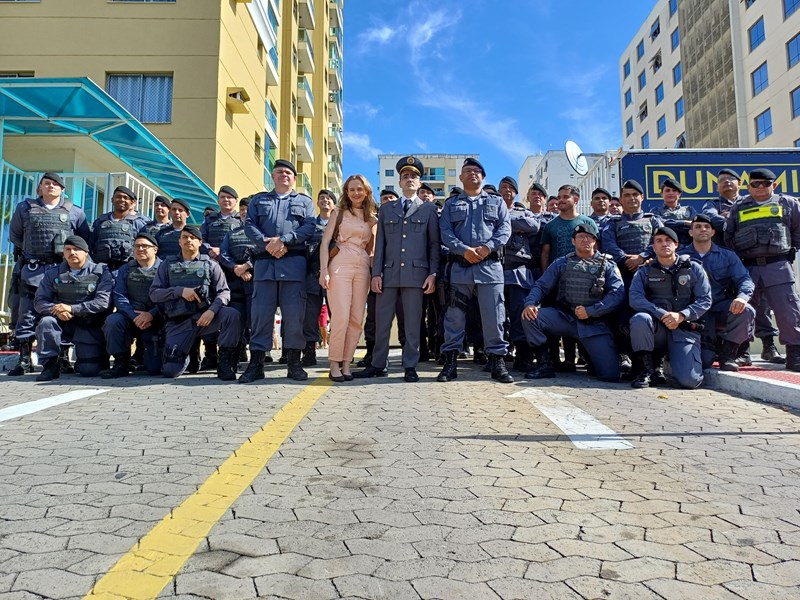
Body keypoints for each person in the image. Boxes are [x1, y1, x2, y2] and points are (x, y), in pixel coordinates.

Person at [355, 156, 440, 382]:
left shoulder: (429, 209)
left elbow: (433, 244)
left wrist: (433, 274)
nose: (409, 179)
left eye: (414, 176)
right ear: (400, 182)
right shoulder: (387, 209)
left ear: (419, 182)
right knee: (382, 322)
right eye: (405, 176)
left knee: (412, 323)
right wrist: (376, 274)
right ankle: (378, 364)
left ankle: (410, 365)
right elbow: (380, 244)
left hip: (416, 275)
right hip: (389, 274)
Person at [239, 159, 317, 383]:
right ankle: (256, 364)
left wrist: (284, 240)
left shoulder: (305, 202)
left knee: (294, 317)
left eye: (288, 173)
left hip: (293, 266)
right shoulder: (259, 200)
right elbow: (249, 225)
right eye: (279, 172)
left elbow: (309, 227)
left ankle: (294, 364)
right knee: (261, 316)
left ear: (294, 178)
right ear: (272, 176)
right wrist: (268, 244)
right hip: (265, 266)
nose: (284, 175)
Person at [437, 158, 513, 384]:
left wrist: (487, 247)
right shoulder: (451, 204)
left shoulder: (496, 202)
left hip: (489, 268)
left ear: (483, 177)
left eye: (477, 171)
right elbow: (445, 232)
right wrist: (463, 250)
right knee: (454, 317)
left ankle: (497, 362)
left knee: (494, 317)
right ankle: (450, 362)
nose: (472, 173)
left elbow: (504, 229)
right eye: (468, 170)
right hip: (460, 268)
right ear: (461, 177)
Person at [8, 173, 91, 377]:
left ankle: (62, 358)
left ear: (62, 189)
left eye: (55, 184)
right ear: (40, 187)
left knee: (62, 312)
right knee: (27, 313)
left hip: (62, 271)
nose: (51, 186)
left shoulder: (75, 212)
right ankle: (24, 358)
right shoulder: (24, 208)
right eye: (47, 183)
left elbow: (83, 240)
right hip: (33, 269)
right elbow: (15, 236)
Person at [521, 222, 624, 382]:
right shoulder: (561, 262)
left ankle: (593, 359)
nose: (585, 240)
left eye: (589, 237)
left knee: (610, 375)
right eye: (580, 237)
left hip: (593, 324)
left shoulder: (608, 265)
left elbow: (617, 294)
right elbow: (541, 286)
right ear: (573, 241)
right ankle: (544, 364)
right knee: (530, 317)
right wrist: (530, 303)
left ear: (594, 241)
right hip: (566, 318)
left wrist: (591, 311)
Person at [725, 168, 800, 371]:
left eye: (765, 184)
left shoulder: (788, 203)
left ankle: (795, 354)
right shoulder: (738, 207)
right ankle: (742, 352)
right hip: (747, 267)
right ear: (748, 186)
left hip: (778, 265)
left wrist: (787, 251)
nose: (760, 187)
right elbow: (729, 236)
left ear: (773, 185)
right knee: (744, 309)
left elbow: (797, 232)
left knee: (788, 310)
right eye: (755, 184)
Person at [149, 225, 241, 380]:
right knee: (170, 371)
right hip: (179, 321)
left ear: (200, 242)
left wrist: (212, 311)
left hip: (205, 318)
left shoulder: (211, 264)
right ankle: (189, 352)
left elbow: (224, 292)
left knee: (232, 315)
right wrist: (180, 291)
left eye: (193, 238)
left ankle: (225, 363)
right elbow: (154, 294)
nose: (188, 240)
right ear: (179, 241)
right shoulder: (167, 265)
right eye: (185, 237)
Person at [629, 227, 712, 389]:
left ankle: (671, 357)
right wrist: (662, 314)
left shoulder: (693, 268)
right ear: (653, 247)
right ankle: (648, 370)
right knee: (640, 319)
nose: (664, 244)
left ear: (676, 245)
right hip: (657, 328)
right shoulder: (645, 271)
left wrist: (682, 315)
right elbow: (635, 298)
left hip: (684, 328)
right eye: (659, 241)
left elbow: (705, 299)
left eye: (668, 241)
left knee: (690, 381)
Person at [319, 174, 378, 381]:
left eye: (359, 189)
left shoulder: (372, 218)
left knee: (356, 319)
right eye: (351, 189)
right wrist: (324, 270)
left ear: (367, 191)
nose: (356, 193)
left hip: (362, 265)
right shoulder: (338, 212)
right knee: (341, 316)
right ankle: (334, 363)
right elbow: (325, 242)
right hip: (340, 262)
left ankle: (346, 363)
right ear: (346, 192)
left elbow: (372, 249)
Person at [33, 235, 112, 381]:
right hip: (62, 322)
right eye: (68, 249)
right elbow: (40, 301)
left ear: (86, 252)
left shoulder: (101, 271)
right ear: (63, 252)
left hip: (87, 324)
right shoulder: (53, 273)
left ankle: (83, 360)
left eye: (77, 249)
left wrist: (71, 309)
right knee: (46, 322)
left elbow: (102, 302)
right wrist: (57, 310)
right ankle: (50, 366)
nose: (72, 252)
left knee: (89, 370)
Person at [681, 214, 755, 371]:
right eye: (698, 227)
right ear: (690, 232)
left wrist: (742, 297)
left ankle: (728, 354)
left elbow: (744, 279)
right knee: (704, 361)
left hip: (720, 307)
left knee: (746, 310)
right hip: (695, 312)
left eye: (707, 227)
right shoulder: (680, 257)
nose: (703, 229)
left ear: (713, 232)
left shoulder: (727, 255)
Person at [102, 232, 164, 378]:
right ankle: (120, 363)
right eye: (137, 246)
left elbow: (169, 297)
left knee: (154, 369)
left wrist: (151, 314)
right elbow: (119, 296)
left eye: (144, 246)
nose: (140, 249)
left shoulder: (165, 268)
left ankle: (145, 357)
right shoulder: (126, 269)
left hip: (158, 318)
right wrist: (134, 316)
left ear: (155, 249)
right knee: (113, 321)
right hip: (132, 317)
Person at [498, 175, 539, 371]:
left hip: (518, 273)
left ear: (515, 193)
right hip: (496, 270)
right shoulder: (491, 210)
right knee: (496, 316)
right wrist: (517, 225)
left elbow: (533, 226)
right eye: (503, 187)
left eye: (511, 188)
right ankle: (496, 354)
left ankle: (523, 354)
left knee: (519, 314)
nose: (507, 190)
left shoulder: (525, 212)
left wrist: (504, 220)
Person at [199, 185, 241, 370]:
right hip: (212, 271)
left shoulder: (241, 220)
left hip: (233, 272)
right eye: (223, 197)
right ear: (218, 200)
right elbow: (200, 239)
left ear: (235, 201)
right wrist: (211, 250)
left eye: (230, 197)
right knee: (210, 309)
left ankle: (234, 354)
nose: (226, 200)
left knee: (235, 313)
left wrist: (223, 252)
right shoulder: (210, 220)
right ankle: (210, 355)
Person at [359, 188, 400, 368]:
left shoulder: (402, 221)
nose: (388, 200)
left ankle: (408, 357)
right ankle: (372, 354)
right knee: (374, 318)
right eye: (384, 198)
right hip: (374, 274)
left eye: (392, 198)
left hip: (399, 274)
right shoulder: (371, 221)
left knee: (404, 318)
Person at [219, 196, 258, 364]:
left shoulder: (260, 232)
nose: (244, 212)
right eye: (242, 209)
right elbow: (224, 254)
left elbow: (263, 251)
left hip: (255, 283)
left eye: (247, 209)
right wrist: (236, 268)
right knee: (237, 319)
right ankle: (236, 354)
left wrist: (248, 266)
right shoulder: (231, 233)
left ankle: (257, 357)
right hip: (235, 283)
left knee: (255, 321)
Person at [301, 189, 335, 366]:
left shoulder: (340, 225)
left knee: (337, 315)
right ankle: (309, 352)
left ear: (334, 204)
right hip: (312, 276)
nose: (325, 200)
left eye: (329, 198)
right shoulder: (310, 225)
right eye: (322, 198)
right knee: (309, 316)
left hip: (335, 277)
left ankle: (339, 350)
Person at [90, 185, 148, 270]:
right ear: (112, 200)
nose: (122, 200)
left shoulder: (138, 223)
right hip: (101, 269)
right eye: (118, 197)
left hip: (127, 270)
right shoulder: (100, 222)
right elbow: (90, 246)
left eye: (125, 198)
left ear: (132, 202)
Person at [540, 185, 595, 269]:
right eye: (559, 197)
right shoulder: (549, 226)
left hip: (584, 272)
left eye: (565, 197)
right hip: (557, 273)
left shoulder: (588, 222)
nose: (561, 200)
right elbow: (545, 254)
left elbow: (595, 250)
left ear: (576, 199)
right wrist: (545, 274)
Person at [655, 178, 695, 246]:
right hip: (665, 246)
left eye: (674, 190)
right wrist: (684, 223)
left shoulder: (689, 210)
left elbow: (694, 227)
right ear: (661, 194)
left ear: (679, 194)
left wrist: (670, 225)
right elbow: (659, 224)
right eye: (667, 190)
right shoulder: (656, 211)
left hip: (687, 247)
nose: (671, 193)